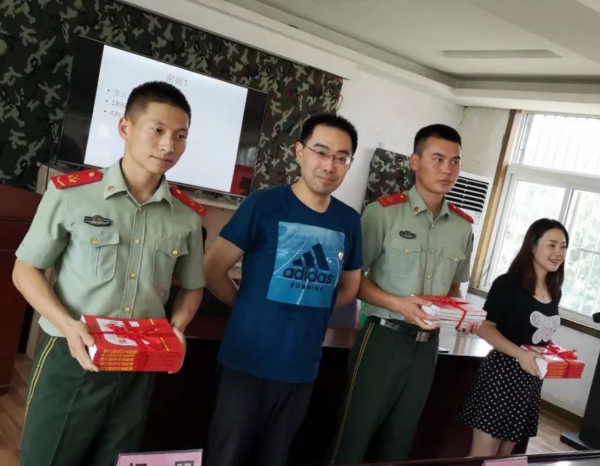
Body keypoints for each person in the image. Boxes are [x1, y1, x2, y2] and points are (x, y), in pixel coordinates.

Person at [14, 81, 206, 466]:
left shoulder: (186, 216)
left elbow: (192, 286)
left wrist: (177, 327)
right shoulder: (72, 194)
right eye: (157, 130)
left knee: (115, 460)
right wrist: (67, 325)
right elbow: (25, 270)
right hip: (72, 356)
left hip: (140, 366)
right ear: (125, 127)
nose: (169, 145)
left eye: (180, 136)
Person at [204, 113, 363, 466]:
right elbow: (213, 269)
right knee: (225, 457)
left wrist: (313, 306)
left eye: (341, 157)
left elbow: (349, 287)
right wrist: (245, 304)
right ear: (299, 152)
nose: (329, 165)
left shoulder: (349, 220)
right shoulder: (264, 204)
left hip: (301, 368)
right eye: (321, 152)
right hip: (246, 364)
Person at [329, 124, 475, 464]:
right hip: (383, 338)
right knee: (353, 437)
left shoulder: (462, 226)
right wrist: (399, 305)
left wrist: (461, 313)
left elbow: (454, 286)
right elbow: (352, 282)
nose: (447, 169)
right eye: (438, 159)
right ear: (415, 161)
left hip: (427, 349)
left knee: (399, 442)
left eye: (454, 161)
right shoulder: (383, 213)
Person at [457, 219, 568, 457]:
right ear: (533, 246)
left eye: (563, 246)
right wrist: (521, 355)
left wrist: (555, 353)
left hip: (529, 382)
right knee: (483, 457)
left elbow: (536, 335)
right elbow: (485, 328)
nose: (558, 252)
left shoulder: (555, 290)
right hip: (501, 376)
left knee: (504, 458)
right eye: (551, 245)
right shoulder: (508, 284)